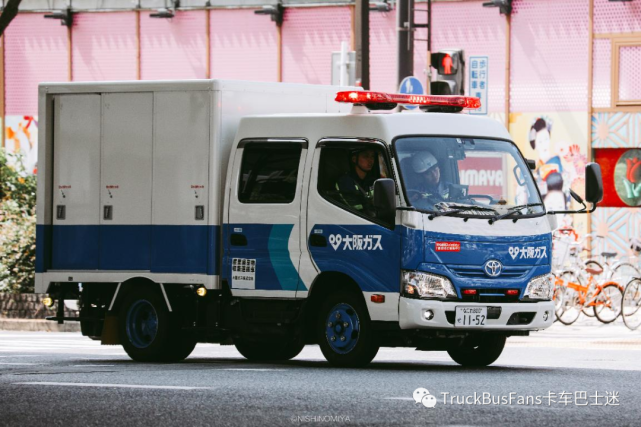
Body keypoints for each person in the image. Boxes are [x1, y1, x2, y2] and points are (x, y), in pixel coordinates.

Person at [335, 148, 379, 215]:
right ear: (354, 159)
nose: (370, 160)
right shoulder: (345, 182)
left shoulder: (373, 181)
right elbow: (357, 211)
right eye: (365, 156)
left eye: (372, 156)